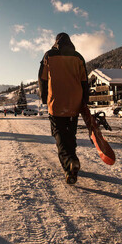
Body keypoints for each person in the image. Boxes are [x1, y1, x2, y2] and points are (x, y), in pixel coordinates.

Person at [38, 33, 89, 184]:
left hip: (56, 102)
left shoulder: (49, 55)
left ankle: (69, 164)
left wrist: (44, 97)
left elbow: (42, 78)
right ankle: (72, 162)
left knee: (59, 133)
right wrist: (84, 101)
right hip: (74, 102)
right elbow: (84, 80)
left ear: (56, 42)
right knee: (70, 134)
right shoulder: (78, 57)